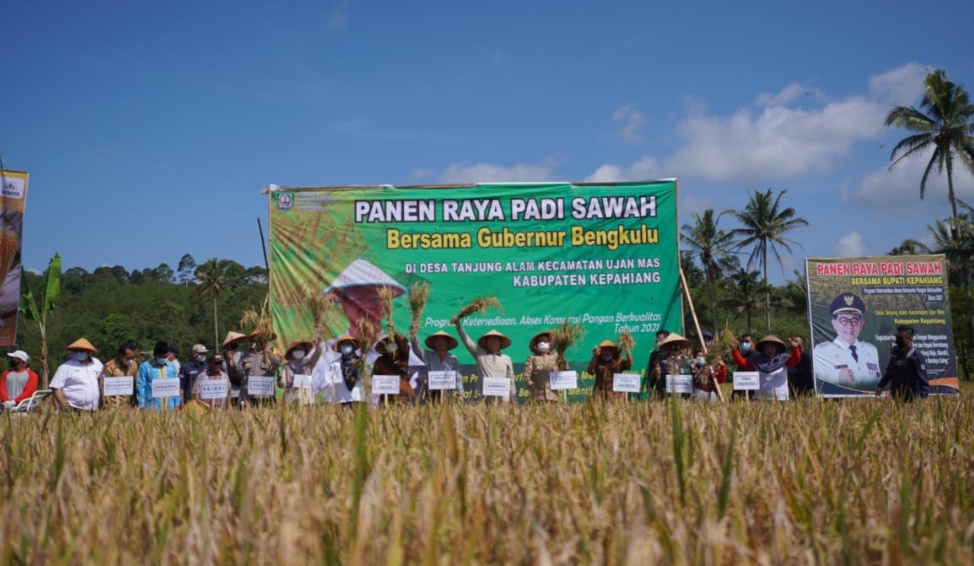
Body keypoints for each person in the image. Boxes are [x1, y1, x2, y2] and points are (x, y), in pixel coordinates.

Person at [813, 293, 881, 390]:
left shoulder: (871, 350)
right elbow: (819, 383)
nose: (849, 326)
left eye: (854, 320)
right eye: (843, 320)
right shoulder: (821, 352)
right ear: (834, 323)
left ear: (861, 324)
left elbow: (876, 382)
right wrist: (838, 378)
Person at [454, 320, 515, 404]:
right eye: (490, 340)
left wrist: (514, 399)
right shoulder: (480, 354)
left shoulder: (506, 358)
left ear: (500, 343)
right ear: (486, 342)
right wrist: (459, 327)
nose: (493, 342)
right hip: (484, 398)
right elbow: (467, 342)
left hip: (503, 399)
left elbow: (511, 380)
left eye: (496, 340)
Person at [732, 335, 801, 400]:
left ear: (777, 348)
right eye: (767, 347)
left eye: (772, 347)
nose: (770, 350)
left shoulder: (784, 358)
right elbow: (742, 363)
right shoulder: (756, 360)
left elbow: (796, 359)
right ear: (763, 349)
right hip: (760, 398)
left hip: (781, 398)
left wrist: (796, 348)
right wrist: (735, 350)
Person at [410, 329, 464, 404]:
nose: (440, 343)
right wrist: (414, 335)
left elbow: (458, 378)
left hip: (448, 393)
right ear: (434, 344)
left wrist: (460, 393)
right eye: (438, 341)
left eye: (443, 340)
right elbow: (417, 349)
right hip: (432, 393)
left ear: (447, 343)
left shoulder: (453, 359)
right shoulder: (428, 356)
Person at [876, 325, 928, 401]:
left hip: (911, 397)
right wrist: (881, 385)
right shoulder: (895, 352)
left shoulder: (917, 357)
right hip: (895, 396)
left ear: (910, 338)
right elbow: (890, 372)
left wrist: (922, 399)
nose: (897, 340)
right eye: (897, 337)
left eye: (901, 338)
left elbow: (923, 381)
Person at [50, 338, 104, 412]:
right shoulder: (66, 367)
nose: (79, 353)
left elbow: (103, 379)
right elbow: (56, 387)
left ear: (88, 352)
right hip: (73, 408)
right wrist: (64, 405)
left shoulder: (96, 363)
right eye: (76, 351)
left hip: (93, 408)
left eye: (81, 351)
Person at [317, 335, 365, 406]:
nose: (346, 346)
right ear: (340, 348)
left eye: (348, 344)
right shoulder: (335, 364)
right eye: (344, 345)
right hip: (341, 399)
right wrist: (329, 399)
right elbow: (331, 383)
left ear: (353, 347)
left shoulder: (360, 362)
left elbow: (365, 378)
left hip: (357, 397)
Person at [372, 332, 416, 405]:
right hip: (386, 399)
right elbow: (375, 379)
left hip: (403, 396)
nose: (391, 346)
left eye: (393, 343)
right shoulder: (380, 361)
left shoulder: (404, 357)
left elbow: (404, 344)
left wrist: (394, 330)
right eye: (388, 344)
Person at [238, 331, 281, 407]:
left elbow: (278, 363)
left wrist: (269, 353)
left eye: (263, 339)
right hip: (248, 394)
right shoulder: (247, 353)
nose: (260, 341)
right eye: (258, 338)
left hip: (266, 395)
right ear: (255, 340)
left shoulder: (273, 351)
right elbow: (239, 369)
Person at [137, 341, 181, 411]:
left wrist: (177, 403)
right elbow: (140, 387)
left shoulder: (171, 367)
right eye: (161, 357)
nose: (163, 359)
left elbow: (175, 387)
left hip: (170, 407)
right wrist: (142, 405)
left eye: (165, 356)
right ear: (155, 354)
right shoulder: (145, 367)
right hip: (152, 408)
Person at [648, 333, 693, 398]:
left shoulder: (688, 361)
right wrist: (655, 374)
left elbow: (696, 378)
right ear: (668, 346)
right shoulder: (661, 361)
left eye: (677, 345)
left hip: (684, 398)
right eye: (672, 345)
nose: (675, 347)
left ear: (680, 346)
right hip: (665, 397)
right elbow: (652, 380)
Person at [523, 330, 562, 403]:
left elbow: (564, 370)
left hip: (553, 396)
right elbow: (526, 374)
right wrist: (528, 381)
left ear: (549, 343)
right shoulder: (532, 358)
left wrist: (563, 357)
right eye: (540, 341)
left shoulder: (556, 357)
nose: (542, 343)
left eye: (544, 340)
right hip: (538, 397)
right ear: (536, 344)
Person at [278, 340, 320, 406]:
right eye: (296, 350)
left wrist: (318, 346)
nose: (298, 352)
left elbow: (317, 355)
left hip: (306, 398)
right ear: (291, 352)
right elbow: (282, 385)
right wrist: (280, 379)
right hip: (290, 398)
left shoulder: (308, 364)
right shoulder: (286, 367)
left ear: (305, 351)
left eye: (301, 349)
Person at [99, 341, 139, 409]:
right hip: (114, 407)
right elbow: (104, 390)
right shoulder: (109, 367)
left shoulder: (133, 365)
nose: (131, 360)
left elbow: (137, 383)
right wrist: (108, 408)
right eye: (128, 358)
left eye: (132, 358)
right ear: (120, 355)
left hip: (130, 407)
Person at [221, 331, 247, 406]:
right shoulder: (221, 356)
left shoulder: (242, 355)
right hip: (225, 391)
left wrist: (231, 361)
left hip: (238, 391)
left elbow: (242, 372)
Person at [645, 329, 671, 399]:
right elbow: (651, 371)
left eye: (661, 340)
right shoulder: (654, 354)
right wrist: (650, 388)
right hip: (660, 388)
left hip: (674, 388)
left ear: (667, 339)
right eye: (658, 340)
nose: (659, 342)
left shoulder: (673, 354)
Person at [731, 332, 756, 400]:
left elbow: (743, 363)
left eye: (747, 341)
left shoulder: (756, 356)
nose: (744, 344)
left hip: (752, 393)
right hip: (741, 391)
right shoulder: (744, 356)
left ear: (754, 343)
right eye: (743, 341)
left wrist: (734, 350)